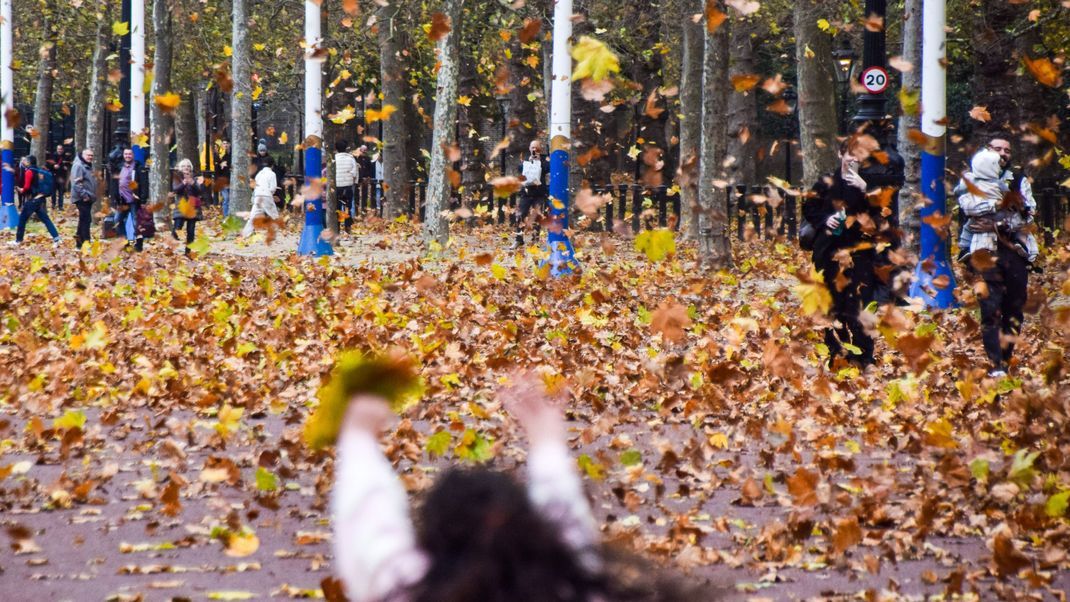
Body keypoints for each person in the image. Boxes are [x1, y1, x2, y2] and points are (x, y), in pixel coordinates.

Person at [331, 371, 701, 602]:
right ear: (535, 534)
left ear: (429, 545)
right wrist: (547, 440)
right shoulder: (571, 590)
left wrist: (358, 434)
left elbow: (370, 522)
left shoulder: (401, 587)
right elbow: (570, 531)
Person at [802, 138, 894, 369]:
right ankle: (838, 354)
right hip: (830, 254)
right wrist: (826, 220)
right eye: (850, 154)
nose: (853, 158)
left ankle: (865, 356)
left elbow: (881, 218)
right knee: (832, 306)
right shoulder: (826, 182)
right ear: (841, 155)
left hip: (860, 254)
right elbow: (809, 209)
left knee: (860, 306)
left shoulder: (870, 182)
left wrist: (865, 191)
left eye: (859, 155)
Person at [958, 148, 1034, 377]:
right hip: (985, 252)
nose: (1001, 157)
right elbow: (969, 207)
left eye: (1005, 153)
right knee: (990, 307)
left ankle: (1007, 354)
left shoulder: (1017, 181)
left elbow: (1027, 215)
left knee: (1014, 307)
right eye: (995, 155)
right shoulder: (971, 183)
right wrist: (1000, 208)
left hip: (1014, 251)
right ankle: (996, 363)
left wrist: (1000, 222)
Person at [10, 155, 61, 247]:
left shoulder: (29, 172)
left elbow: (27, 187)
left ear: (29, 162)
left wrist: (21, 190)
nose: (23, 161)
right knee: (45, 219)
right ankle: (56, 238)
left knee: (22, 219)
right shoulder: (37, 170)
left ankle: (18, 240)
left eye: (25, 160)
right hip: (40, 198)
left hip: (33, 199)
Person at [513, 139, 549, 249]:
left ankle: (535, 240)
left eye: (537, 148)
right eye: (532, 147)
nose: (534, 150)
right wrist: (528, 162)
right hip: (526, 192)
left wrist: (539, 162)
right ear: (529, 148)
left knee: (536, 216)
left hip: (539, 193)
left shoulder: (544, 159)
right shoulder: (526, 159)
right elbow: (519, 169)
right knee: (521, 215)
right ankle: (519, 240)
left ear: (540, 149)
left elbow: (548, 169)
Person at [171, 159, 206, 256]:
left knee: (191, 231)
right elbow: (175, 190)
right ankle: (171, 246)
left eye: (188, 166)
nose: (186, 168)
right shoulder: (177, 178)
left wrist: (193, 183)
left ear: (191, 168)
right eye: (183, 166)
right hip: (181, 207)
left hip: (193, 208)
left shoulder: (196, 178)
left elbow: (200, 191)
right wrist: (184, 183)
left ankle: (188, 252)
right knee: (177, 227)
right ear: (180, 168)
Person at [114, 148, 145, 251]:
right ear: (123, 155)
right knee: (117, 220)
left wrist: (143, 198)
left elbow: (144, 183)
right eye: (125, 154)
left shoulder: (138, 167)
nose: (127, 156)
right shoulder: (120, 167)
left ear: (133, 155)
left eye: (129, 154)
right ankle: (125, 242)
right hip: (122, 200)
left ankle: (139, 245)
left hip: (134, 200)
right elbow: (115, 182)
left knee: (137, 222)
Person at [242, 156, 280, 238]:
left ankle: (246, 233)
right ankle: (279, 232)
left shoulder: (259, 174)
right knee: (274, 214)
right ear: (272, 165)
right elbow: (273, 187)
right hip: (266, 195)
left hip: (258, 195)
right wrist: (271, 193)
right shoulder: (272, 174)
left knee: (253, 215)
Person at [69, 148, 97, 249]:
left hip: (88, 197)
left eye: (92, 156)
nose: (90, 157)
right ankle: (86, 243)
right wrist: (85, 195)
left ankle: (79, 244)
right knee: (86, 220)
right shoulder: (78, 165)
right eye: (88, 155)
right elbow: (76, 184)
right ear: (83, 155)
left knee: (83, 220)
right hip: (82, 198)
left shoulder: (87, 166)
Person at [335, 141, 358, 234]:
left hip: (337, 186)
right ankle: (348, 227)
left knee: (337, 207)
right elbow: (355, 172)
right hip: (348, 186)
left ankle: (336, 227)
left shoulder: (334, 159)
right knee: (348, 206)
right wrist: (354, 182)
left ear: (336, 148)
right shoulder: (351, 158)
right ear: (346, 148)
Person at [47, 144, 70, 211]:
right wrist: (53, 166)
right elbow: (48, 165)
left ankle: (60, 206)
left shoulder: (66, 156)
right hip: (54, 176)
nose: (59, 150)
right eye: (58, 149)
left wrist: (66, 167)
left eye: (60, 149)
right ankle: (53, 205)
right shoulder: (52, 156)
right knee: (53, 192)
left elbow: (68, 165)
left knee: (61, 192)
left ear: (62, 150)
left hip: (62, 177)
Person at [217, 140, 232, 217]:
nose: (225, 145)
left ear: (229, 144)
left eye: (227, 143)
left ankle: (229, 215)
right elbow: (217, 169)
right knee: (226, 198)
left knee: (230, 199)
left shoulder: (232, 155)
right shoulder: (220, 156)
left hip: (231, 181)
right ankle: (226, 216)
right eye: (224, 144)